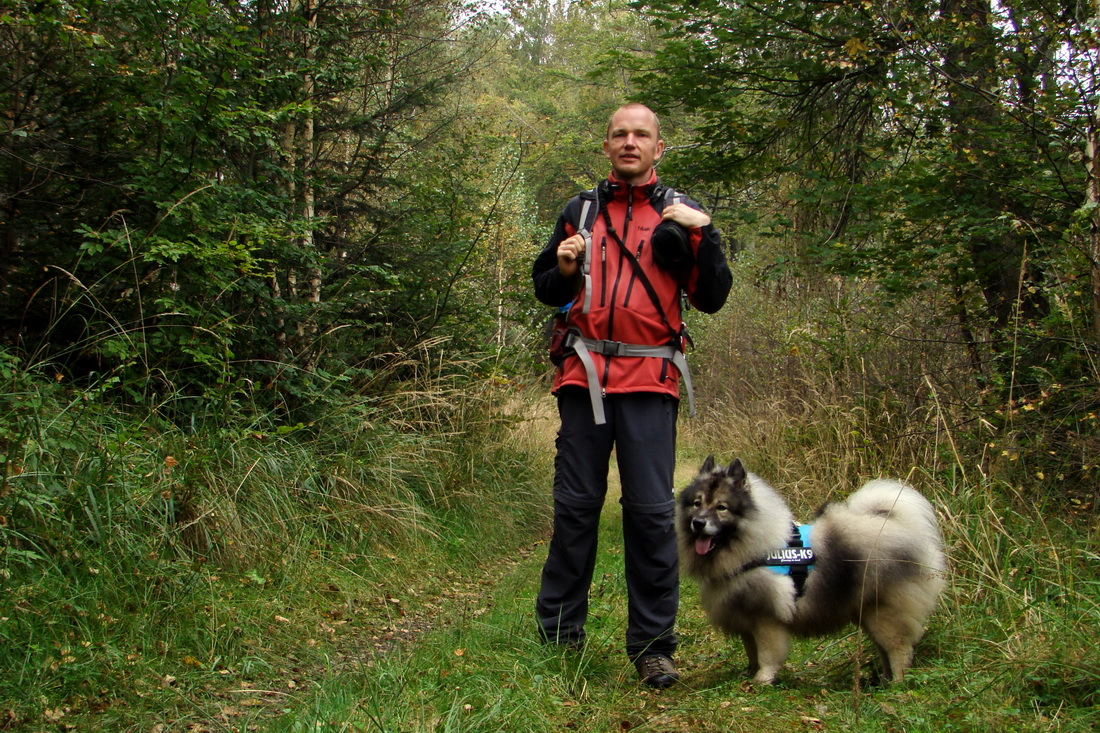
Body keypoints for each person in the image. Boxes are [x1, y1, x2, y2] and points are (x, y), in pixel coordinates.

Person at [531, 103, 732, 689]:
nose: (629, 142)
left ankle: (653, 648)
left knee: (648, 516)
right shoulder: (580, 211)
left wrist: (705, 233)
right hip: (584, 376)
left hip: (650, 382)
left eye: (640, 134)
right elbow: (547, 287)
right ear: (606, 145)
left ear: (657, 148)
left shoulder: (681, 216)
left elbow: (713, 296)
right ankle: (559, 636)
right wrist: (566, 267)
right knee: (574, 510)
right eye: (619, 134)